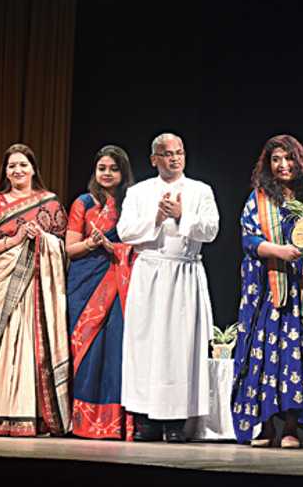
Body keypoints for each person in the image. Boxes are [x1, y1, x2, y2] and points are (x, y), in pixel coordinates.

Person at [231, 134, 303, 449]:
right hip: (269, 293)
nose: (282, 165)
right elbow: (248, 240)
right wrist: (278, 250)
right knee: (263, 356)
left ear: (299, 161)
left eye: (288, 158)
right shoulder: (260, 199)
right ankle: (265, 427)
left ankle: (291, 427)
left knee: (296, 357)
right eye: (276, 159)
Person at [116, 132, 219, 442]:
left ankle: (175, 422)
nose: (174, 158)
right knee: (145, 346)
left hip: (184, 274)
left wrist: (182, 215)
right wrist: (157, 218)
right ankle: (146, 420)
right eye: (167, 153)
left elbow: (212, 229)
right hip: (149, 274)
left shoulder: (200, 190)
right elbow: (124, 232)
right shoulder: (138, 192)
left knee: (178, 348)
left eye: (179, 152)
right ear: (154, 159)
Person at [0, 143, 71, 437]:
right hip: (3, 279)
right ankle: (1, 412)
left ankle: (35, 415)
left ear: (33, 169)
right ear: (5, 171)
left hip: (38, 283)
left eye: (22, 165)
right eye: (11, 166)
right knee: (7, 346)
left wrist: (42, 239)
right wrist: (15, 240)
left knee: (33, 343)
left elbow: (64, 248)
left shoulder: (49, 202)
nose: (17, 170)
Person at [66, 145, 135, 439]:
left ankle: (115, 423)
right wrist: (93, 245)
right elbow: (70, 248)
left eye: (113, 169)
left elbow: (137, 244)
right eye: (102, 168)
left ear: (123, 172)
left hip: (118, 280)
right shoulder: (83, 203)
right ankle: (82, 422)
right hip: (85, 281)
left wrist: (114, 248)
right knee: (86, 349)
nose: (107, 174)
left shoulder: (131, 204)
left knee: (115, 351)